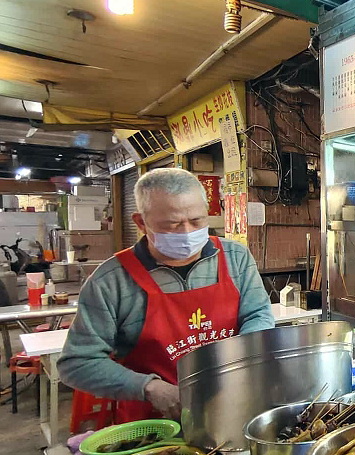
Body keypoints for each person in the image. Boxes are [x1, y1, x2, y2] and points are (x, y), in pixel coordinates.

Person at [59, 169, 274, 421]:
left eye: (196, 221)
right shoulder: (111, 281)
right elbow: (77, 362)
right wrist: (150, 388)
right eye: (172, 225)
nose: (186, 232)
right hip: (153, 423)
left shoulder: (235, 257)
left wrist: (243, 358)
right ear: (141, 222)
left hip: (230, 406)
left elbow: (257, 314)